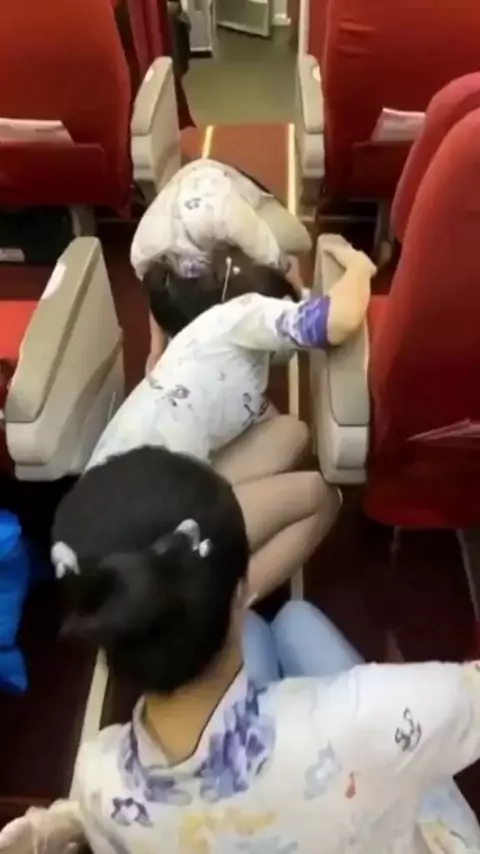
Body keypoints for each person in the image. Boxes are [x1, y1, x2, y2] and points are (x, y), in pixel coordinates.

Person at [3, 446, 480, 854]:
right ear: (240, 589)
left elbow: (94, 813)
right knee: (296, 623)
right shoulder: (372, 712)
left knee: (279, 627)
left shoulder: (98, 776)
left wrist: (58, 825)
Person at [85, 240, 375, 600]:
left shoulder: (208, 339)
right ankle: (221, 612)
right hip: (138, 542)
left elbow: (270, 428)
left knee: (292, 433)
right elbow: (340, 319)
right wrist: (360, 267)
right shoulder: (247, 312)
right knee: (321, 496)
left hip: (109, 504)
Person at [129, 158, 313, 370]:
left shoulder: (226, 215)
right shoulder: (142, 254)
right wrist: (156, 351)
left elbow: (277, 258)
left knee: (298, 242)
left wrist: (299, 301)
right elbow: (156, 299)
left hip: (213, 180)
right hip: (178, 207)